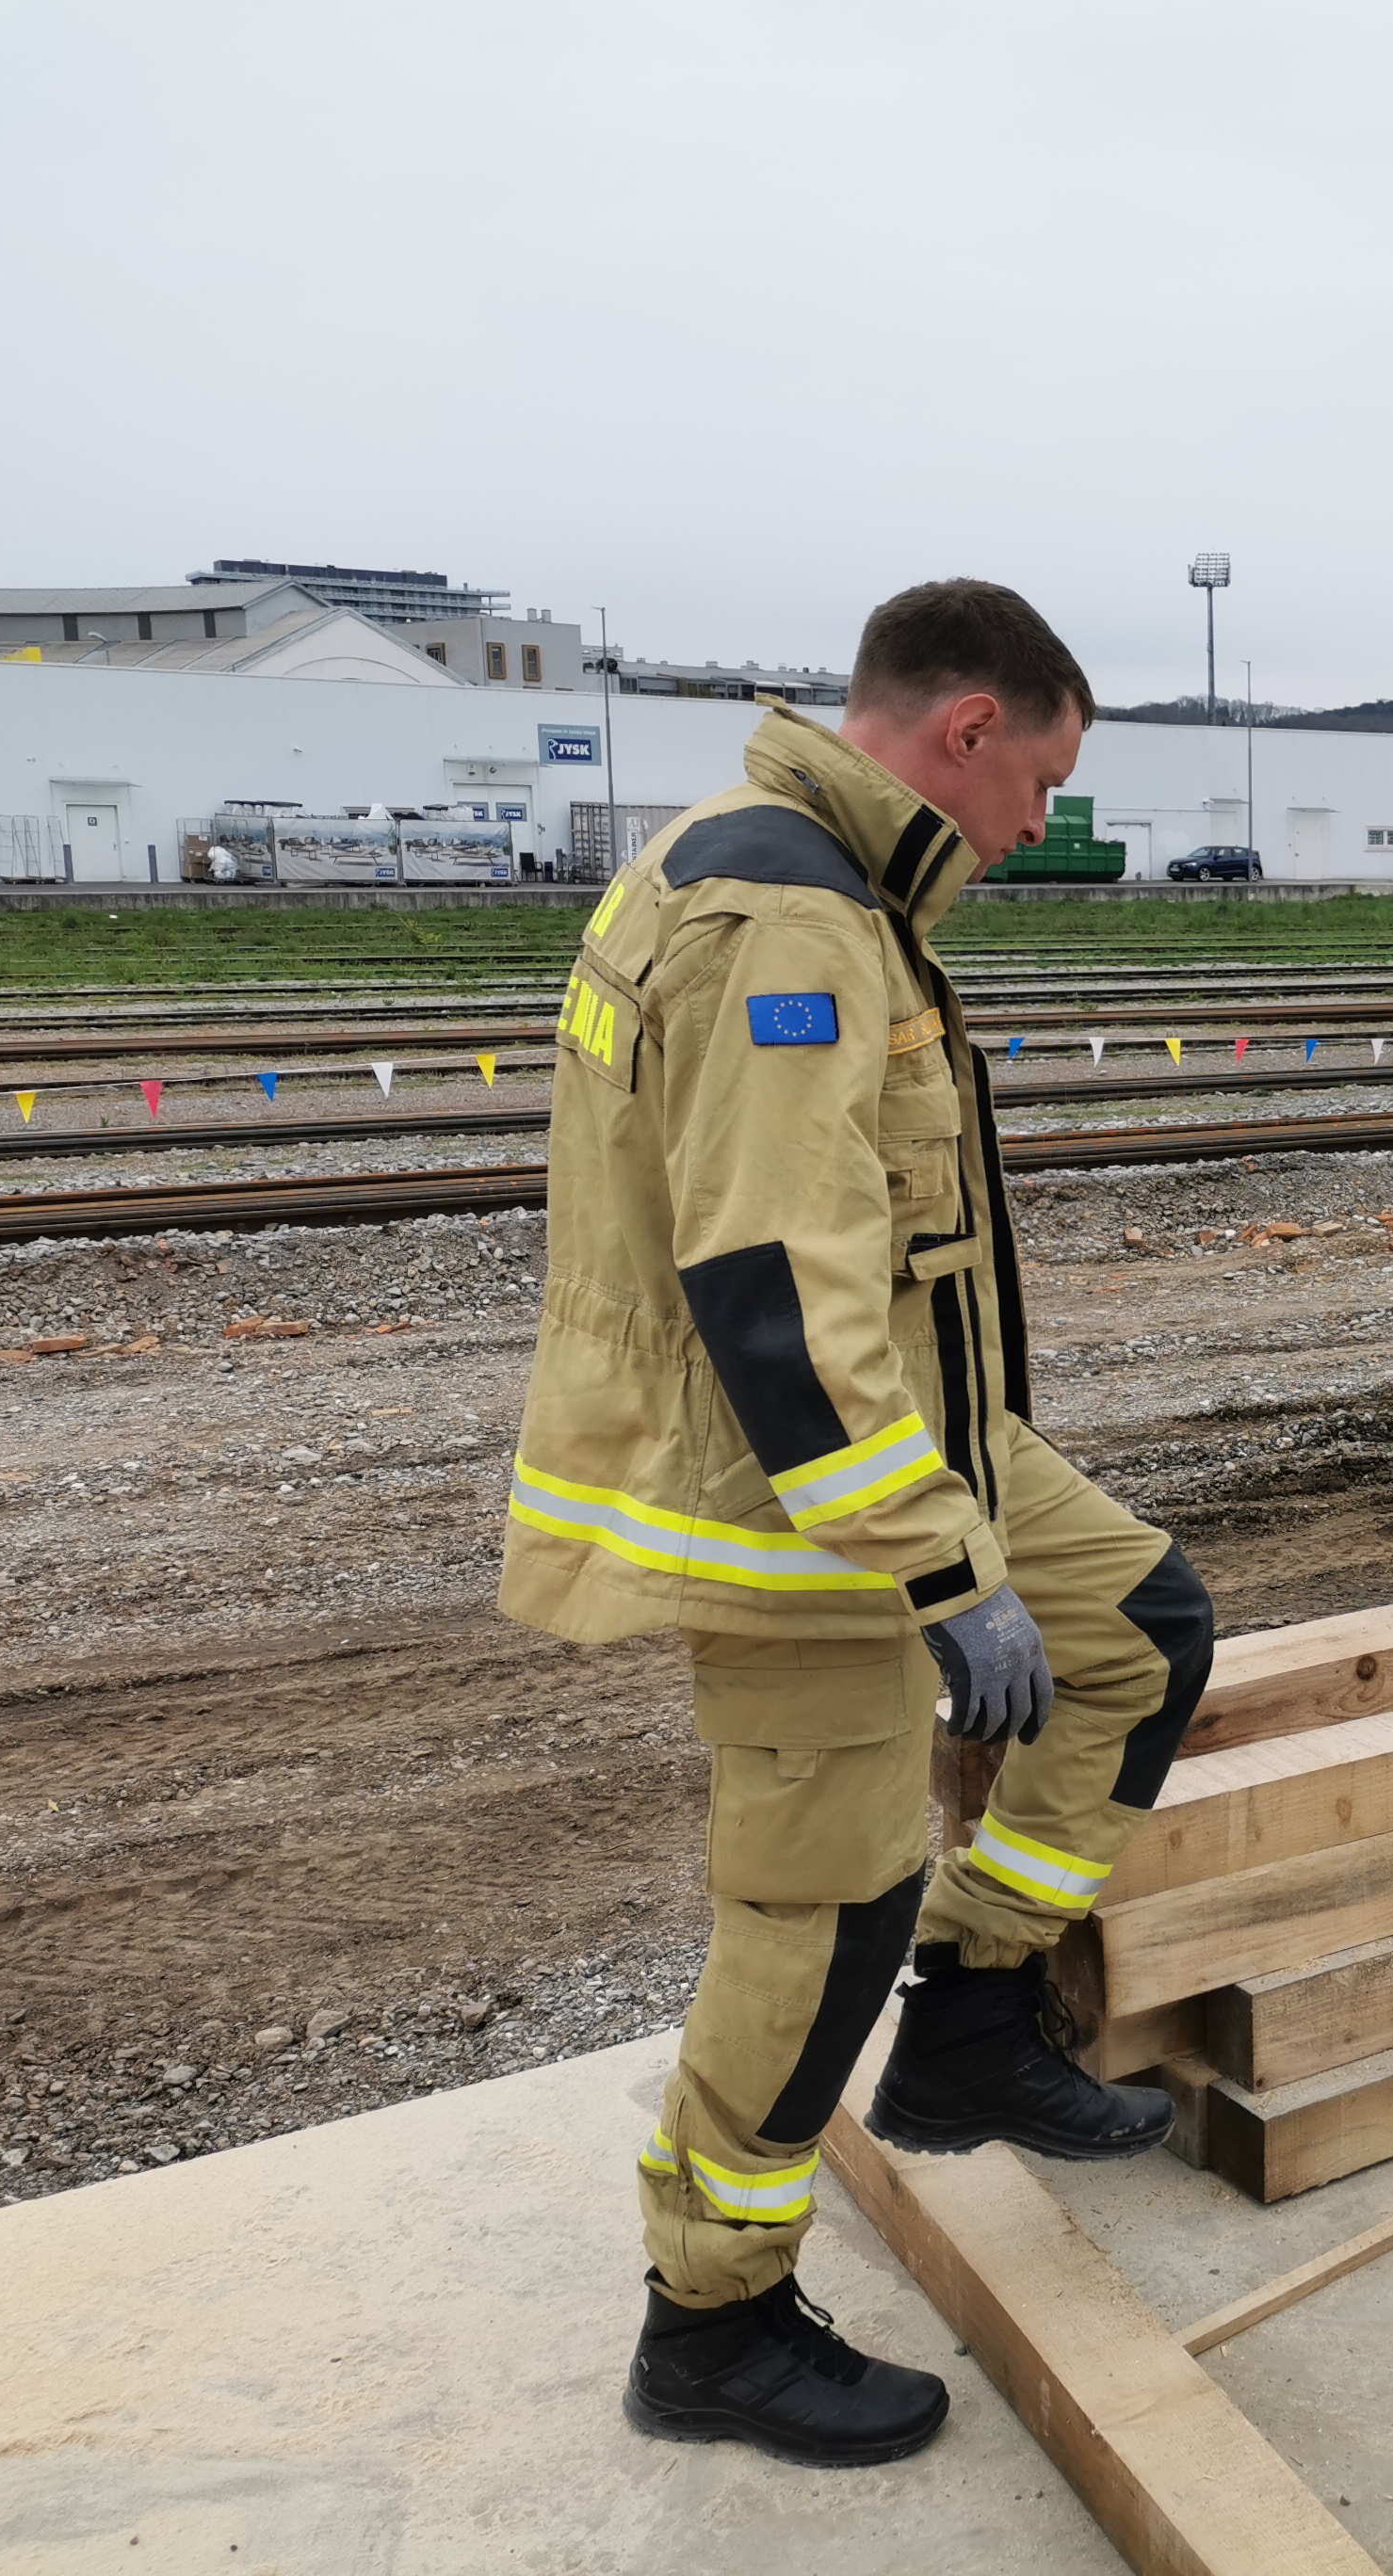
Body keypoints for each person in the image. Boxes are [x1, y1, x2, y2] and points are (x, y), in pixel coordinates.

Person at [500, 580, 1216, 2467]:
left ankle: (979, 2025)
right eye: (1043, 778)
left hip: (926, 1445)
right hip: (801, 1497)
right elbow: (766, 1280)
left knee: (1147, 1629)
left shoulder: (832, 886)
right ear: (967, 728)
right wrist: (935, 1568)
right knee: (818, 1912)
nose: (1043, 826)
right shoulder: (784, 918)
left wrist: (975, 1516)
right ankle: (713, 2321)